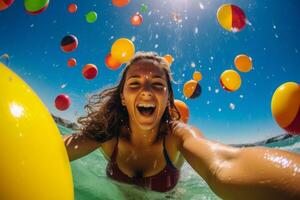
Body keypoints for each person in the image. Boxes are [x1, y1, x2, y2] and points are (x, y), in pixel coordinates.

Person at [64, 51, 300, 199]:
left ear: (168, 98)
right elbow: (55, 150)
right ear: (123, 97)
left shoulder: (178, 136)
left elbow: (224, 164)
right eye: (134, 84)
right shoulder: (107, 133)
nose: (146, 91)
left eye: (157, 85)